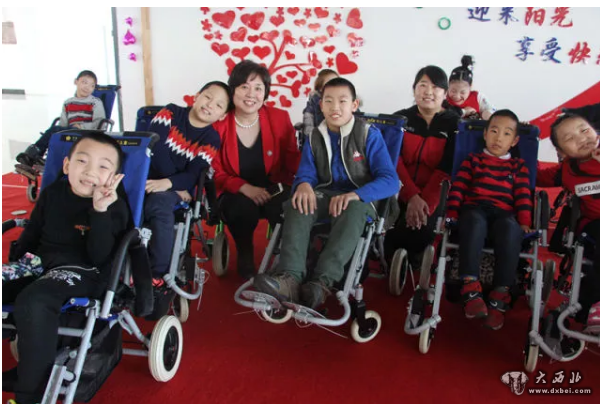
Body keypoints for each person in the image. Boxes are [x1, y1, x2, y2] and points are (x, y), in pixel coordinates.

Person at [3, 132, 129, 404]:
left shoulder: (114, 205)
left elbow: (100, 257)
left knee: (34, 300)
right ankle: (28, 358)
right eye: (82, 161)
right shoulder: (52, 194)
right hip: (38, 263)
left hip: (85, 270)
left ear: (114, 176)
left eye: (103, 166)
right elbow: (33, 233)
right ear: (66, 165)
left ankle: (30, 397)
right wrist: (15, 266)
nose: (90, 171)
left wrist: (100, 210)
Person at [252, 77, 400, 309]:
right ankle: (290, 278)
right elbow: (306, 173)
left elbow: (391, 181)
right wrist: (303, 184)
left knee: (351, 208)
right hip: (328, 195)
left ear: (354, 104)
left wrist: (355, 195)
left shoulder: (368, 135)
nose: (335, 107)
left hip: (362, 200)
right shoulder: (315, 136)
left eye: (342, 101)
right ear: (321, 105)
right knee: (298, 202)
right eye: (328, 101)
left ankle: (321, 283)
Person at [212, 60, 301, 279]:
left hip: (274, 186)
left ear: (265, 92)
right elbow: (214, 170)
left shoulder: (279, 118)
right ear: (233, 90)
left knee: (289, 205)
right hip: (234, 191)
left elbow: (292, 160)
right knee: (241, 209)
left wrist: (307, 179)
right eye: (244, 87)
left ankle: (285, 259)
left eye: (258, 88)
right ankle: (245, 251)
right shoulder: (219, 123)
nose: (251, 94)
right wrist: (243, 187)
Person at [446, 109, 532, 330]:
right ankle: (470, 287)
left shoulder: (518, 166)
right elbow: (459, 188)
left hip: (504, 213)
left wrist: (524, 223)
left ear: (515, 141)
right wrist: (452, 213)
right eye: (494, 131)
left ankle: (500, 294)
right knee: (474, 221)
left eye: (506, 134)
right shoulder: (473, 160)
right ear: (485, 134)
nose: (498, 138)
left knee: (510, 229)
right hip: (475, 208)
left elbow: (523, 196)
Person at [144, 81, 231, 280]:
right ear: (197, 96)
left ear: (222, 116)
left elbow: (193, 174)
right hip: (146, 178)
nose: (210, 105)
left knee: (159, 204)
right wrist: (175, 183)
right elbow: (156, 150)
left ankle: (157, 274)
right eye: (208, 97)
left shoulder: (211, 139)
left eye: (219, 105)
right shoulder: (170, 113)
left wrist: (169, 185)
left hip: (169, 191)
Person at [384, 65, 460, 268]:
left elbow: (447, 168)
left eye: (435, 87)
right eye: (423, 85)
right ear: (414, 89)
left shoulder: (455, 125)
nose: (428, 92)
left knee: (421, 229)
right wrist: (411, 196)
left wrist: (424, 203)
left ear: (445, 93)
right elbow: (393, 161)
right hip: (399, 189)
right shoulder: (400, 119)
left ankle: (412, 260)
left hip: (433, 196)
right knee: (387, 225)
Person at [537, 113, 600, 334]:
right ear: (562, 152)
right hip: (595, 225)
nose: (582, 138)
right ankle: (593, 306)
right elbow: (535, 175)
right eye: (570, 138)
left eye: (584, 130)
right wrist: (521, 141)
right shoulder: (566, 170)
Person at [15, 70, 106, 170]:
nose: (87, 87)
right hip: (70, 131)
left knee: (54, 130)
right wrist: (63, 129)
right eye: (84, 82)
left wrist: (82, 126)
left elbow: (100, 123)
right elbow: (63, 123)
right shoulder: (68, 102)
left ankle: (32, 154)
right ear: (76, 82)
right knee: (56, 131)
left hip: (86, 133)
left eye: (92, 85)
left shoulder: (95, 102)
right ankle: (33, 158)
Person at [445, 55, 495, 120]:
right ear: (448, 85)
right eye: (453, 91)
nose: (457, 96)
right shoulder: (443, 97)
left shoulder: (478, 98)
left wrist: (487, 114)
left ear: (470, 87)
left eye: (462, 92)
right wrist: (464, 112)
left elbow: (493, 111)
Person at [302, 69, 339, 138]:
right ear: (321, 87)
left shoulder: (346, 99)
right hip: (320, 136)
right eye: (330, 82)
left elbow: (357, 117)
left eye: (337, 81)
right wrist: (311, 136)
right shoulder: (314, 100)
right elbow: (308, 118)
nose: (334, 84)